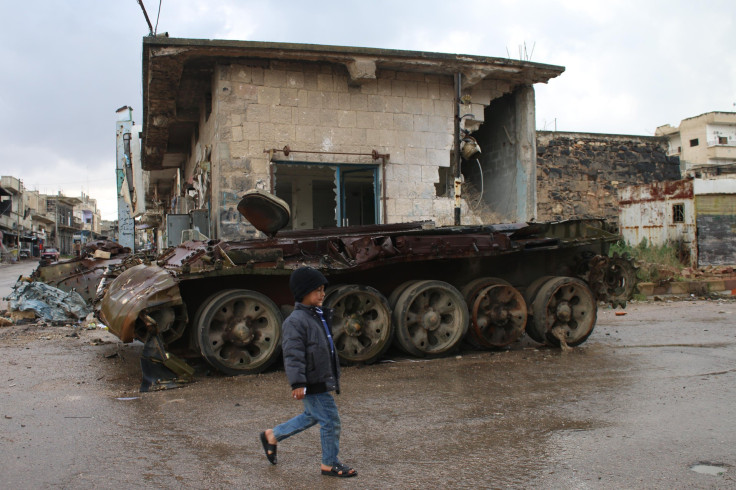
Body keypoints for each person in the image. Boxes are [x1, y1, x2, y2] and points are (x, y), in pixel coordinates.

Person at [260, 266, 357, 478]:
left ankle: (272, 435)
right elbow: (293, 355)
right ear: (304, 292)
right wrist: (298, 383)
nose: (322, 294)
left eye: (323, 289)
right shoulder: (295, 322)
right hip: (312, 380)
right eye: (317, 290)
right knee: (330, 421)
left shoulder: (317, 316)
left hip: (320, 377)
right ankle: (329, 464)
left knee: (312, 416)